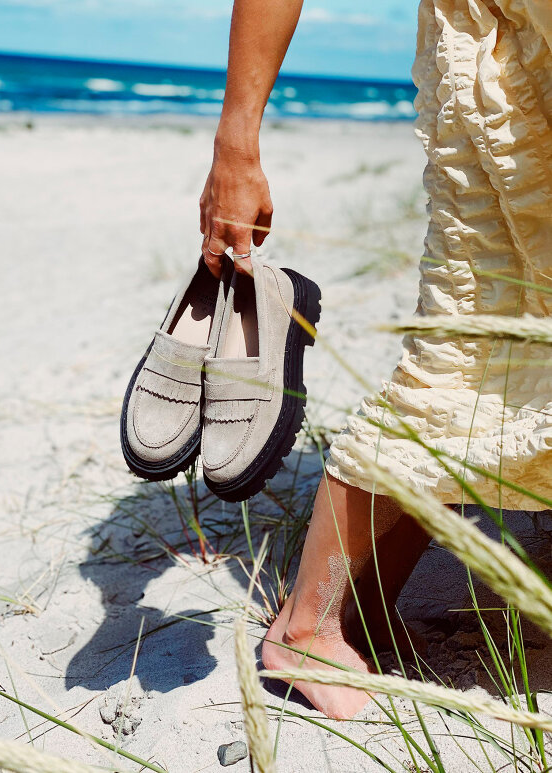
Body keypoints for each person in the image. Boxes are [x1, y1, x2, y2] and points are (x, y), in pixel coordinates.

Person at [199, 0, 552, 719]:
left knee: (494, 333)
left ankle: (351, 611)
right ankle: (311, 623)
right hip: (507, 44)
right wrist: (238, 142)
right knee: (477, 333)